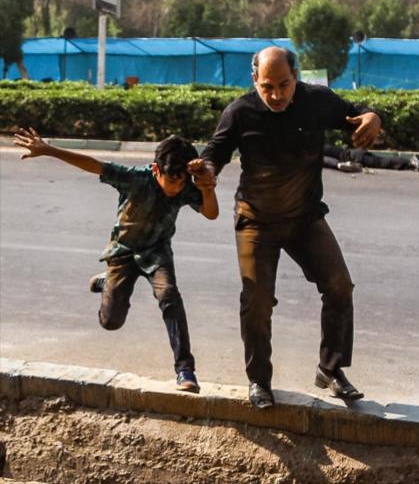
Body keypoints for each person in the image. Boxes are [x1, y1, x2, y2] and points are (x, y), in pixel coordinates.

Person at [200, 47, 380, 408]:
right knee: (258, 299)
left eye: (284, 84)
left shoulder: (317, 101)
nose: (277, 95)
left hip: (304, 218)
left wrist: (371, 116)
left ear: (296, 76)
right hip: (256, 221)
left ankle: (331, 369)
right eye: (267, 87)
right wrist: (204, 171)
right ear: (255, 81)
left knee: (339, 285)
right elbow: (213, 155)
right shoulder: (240, 112)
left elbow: (356, 113)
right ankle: (259, 381)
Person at [13, 128, 219, 393]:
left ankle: (185, 369)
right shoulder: (135, 178)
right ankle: (108, 281)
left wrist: (205, 185)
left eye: (182, 182)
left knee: (169, 295)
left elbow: (211, 213)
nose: (177, 188)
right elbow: (94, 165)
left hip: (157, 252)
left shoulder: (185, 187)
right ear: (156, 170)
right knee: (111, 322)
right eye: (172, 181)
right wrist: (49, 150)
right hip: (122, 252)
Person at [322, 144, 419, 173]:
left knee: (385, 163)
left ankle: (412, 162)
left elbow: (322, 160)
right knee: (385, 162)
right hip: (356, 155)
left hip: (356, 157)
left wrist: (337, 165)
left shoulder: (310, 149)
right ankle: (411, 162)